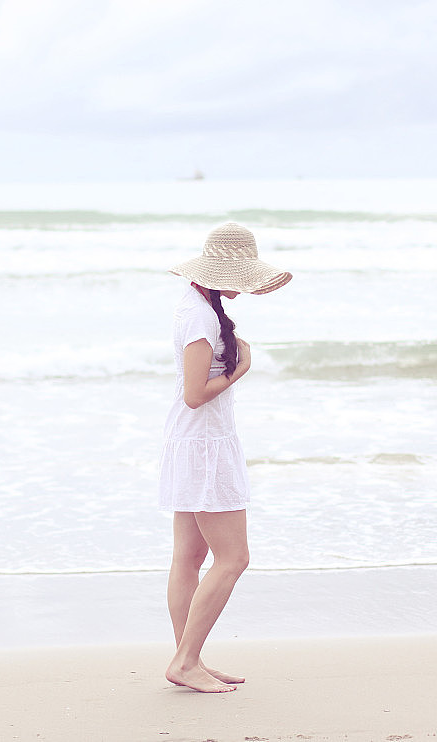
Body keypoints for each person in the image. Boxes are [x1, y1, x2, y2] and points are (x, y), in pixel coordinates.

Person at [159, 222, 292, 693]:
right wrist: (241, 368)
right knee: (234, 558)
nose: (244, 286)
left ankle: (187, 659)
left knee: (190, 557)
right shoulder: (201, 317)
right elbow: (196, 395)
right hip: (204, 445)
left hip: (191, 442)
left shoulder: (197, 306)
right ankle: (185, 661)